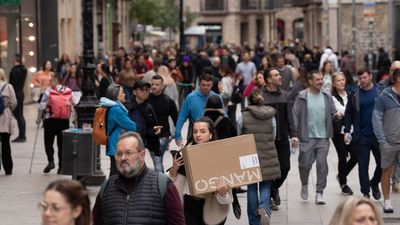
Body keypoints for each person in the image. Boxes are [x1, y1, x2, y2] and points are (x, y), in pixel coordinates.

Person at [92, 132, 186, 225]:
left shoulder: (163, 186)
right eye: (119, 154)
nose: (123, 158)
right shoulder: (107, 188)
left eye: (128, 153)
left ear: (142, 155)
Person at [167, 117, 232, 225]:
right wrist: (174, 169)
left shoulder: (221, 156)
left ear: (211, 134)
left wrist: (222, 193)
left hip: (212, 207)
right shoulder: (185, 154)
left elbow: (228, 198)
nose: (198, 135)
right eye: (195, 131)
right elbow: (170, 183)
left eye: (202, 131)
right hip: (189, 207)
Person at [292, 70, 339, 204]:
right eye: (317, 79)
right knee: (305, 165)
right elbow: (295, 115)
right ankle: (305, 183)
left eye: (321, 79)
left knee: (322, 164)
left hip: (323, 137)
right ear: (310, 81)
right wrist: (294, 134)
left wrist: (336, 116)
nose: (320, 82)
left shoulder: (327, 96)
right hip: (306, 137)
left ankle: (319, 192)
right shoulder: (302, 96)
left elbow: (333, 112)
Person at [241, 91, 280, 225]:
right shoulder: (271, 115)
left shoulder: (244, 115)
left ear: (249, 101)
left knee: (252, 187)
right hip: (267, 153)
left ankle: (254, 220)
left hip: (248, 155)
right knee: (266, 184)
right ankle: (264, 206)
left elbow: (239, 134)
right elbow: (273, 134)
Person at [344, 69, 382, 199]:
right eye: (360, 78)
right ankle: (365, 192)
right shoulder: (355, 93)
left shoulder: (380, 91)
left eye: (365, 77)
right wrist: (347, 130)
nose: (362, 80)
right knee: (363, 165)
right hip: (361, 136)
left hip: (378, 135)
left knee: (383, 163)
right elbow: (348, 113)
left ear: (370, 76)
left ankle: (374, 183)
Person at [261, 68, 296, 210]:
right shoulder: (261, 96)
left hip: (282, 139)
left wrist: (294, 134)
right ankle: (267, 195)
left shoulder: (285, 95)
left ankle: (274, 189)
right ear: (269, 80)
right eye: (276, 75)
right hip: (266, 140)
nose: (280, 76)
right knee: (269, 171)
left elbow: (290, 116)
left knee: (285, 167)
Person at [372, 68, 400, 213]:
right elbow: (376, 118)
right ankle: (387, 201)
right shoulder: (385, 96)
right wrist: (382, 140)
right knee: (386, 171)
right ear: (397, 79)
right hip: (389, 141)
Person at [37, 73, 72, 174]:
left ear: (56, 80)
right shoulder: (68, 91)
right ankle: (61, 167)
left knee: (48, 142)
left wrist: (38, 119)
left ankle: (51, 161)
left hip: (50, 120)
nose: (50, 81)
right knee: (61, 145)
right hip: (64, 121)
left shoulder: (48, 91)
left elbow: (42, 106)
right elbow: (73, 103)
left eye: (52, 80)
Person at [99, 83, 137, 176]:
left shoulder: (110, 107)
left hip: (114, 143)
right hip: (116, 144)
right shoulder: (116, 109)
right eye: (122, 92)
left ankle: (111, 189)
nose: (124, 94)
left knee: (116, 171)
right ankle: (109, 190)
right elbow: (132, 126)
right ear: (115, 95)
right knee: (116, 173)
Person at [331, 72, 357, 195]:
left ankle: (341, 175)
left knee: (356, 156)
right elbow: (343, 111)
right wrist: (349, 112)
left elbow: (353, 111)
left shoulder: (351, 95)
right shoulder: (332, 98)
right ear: (334, 84)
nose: (341, 82)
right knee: (342, 156)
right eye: (338, 81)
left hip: (351, 130)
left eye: (342, 80)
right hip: (338, 132)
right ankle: (344, 184)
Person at [175, 74, 219, 147]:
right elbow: (182, 117)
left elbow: (224, 116)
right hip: (194, 134)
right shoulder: (191, 98)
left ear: (212, 85)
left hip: (212, 135)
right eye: (203, 85)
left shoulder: (216, 97)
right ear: (199, 84)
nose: (206, 87)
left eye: (208, 85)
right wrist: (177, 135)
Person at [148, 75, 178, 172]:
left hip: (163, 136)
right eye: (152, 84)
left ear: (162, 86)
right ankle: (160, 180)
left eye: (157, 85)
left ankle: (160, 183)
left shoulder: (168, 101)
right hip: (149, 135)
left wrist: (177, 135)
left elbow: (176, 119)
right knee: (156, 160)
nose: (154, 87)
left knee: (157, 160)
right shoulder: (146, 99)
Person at [0, 68, 17, 175]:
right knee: (6, 144)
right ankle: (8, 168)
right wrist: (8, 109)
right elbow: (14, 102)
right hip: (5, 117)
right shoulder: (8, 86)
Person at [9, 54, 27, 142]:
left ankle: (22, 136)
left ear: (15, 59)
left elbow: (13, 83)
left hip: (16, 94)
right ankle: (22, 135)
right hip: (20, 93)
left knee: (18, 115)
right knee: (20, 115)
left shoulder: (15, 70)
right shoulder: (23, 69)